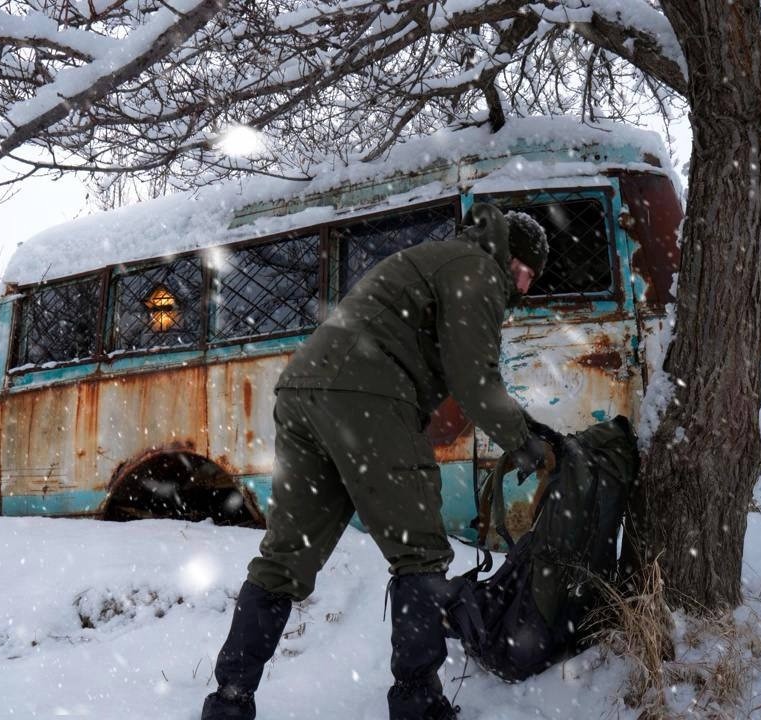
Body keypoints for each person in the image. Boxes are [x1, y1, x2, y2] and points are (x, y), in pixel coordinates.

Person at [201, 203, 552, 720]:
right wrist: (525, 441)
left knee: (284, 560)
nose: (523, 289)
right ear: (513, 257)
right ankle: (418, 703)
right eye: (527, 276)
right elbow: (473, 377)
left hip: (303, 391)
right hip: (365, 394)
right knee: (421, 555)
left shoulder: (439, 258)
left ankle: (229, 701)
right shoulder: (476, 269)